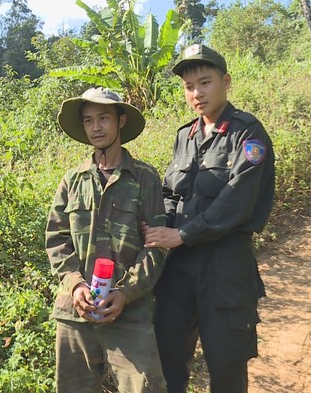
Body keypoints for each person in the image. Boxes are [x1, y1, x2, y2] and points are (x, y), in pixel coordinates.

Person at [142, 44, 275, 392]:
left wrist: (181, 234)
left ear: (225, 81)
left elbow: (236, 203)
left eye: (205, 82)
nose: (196, 93)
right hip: (178, 269)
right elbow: (172, 194)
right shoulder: (184, 136)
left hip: (225, 267)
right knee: (166, 357)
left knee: (226, 366)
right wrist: (156, 229)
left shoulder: (248, 133)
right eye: (189, 87)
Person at [45, 87, 168, 392]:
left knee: (147, 387)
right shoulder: (72, 180)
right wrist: (75, 285)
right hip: (75, 313)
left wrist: (126, 293)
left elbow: (156, 245)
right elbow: (56, 238)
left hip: (129, 312)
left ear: (121, 121)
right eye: (88, 120)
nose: (96, 127)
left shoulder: (144, 178)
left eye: (103, 118)